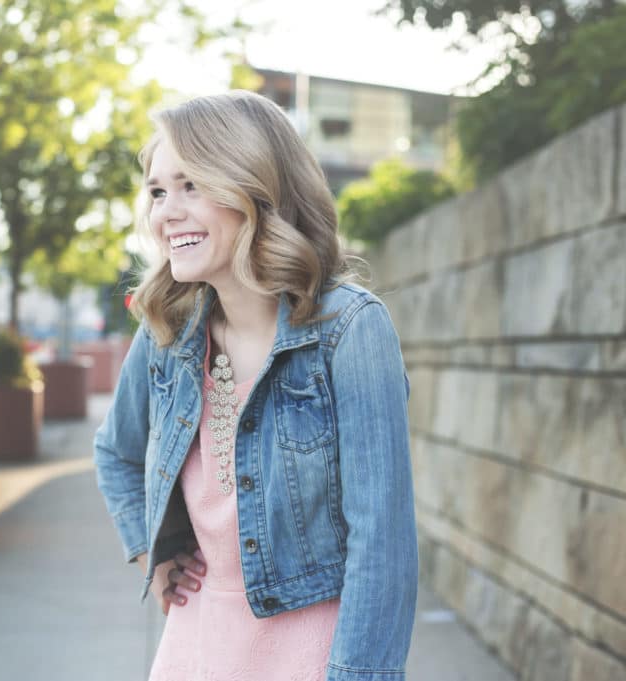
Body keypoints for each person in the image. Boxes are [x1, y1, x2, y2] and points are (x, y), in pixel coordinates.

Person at [93, 90, 418, 681]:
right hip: (195, 642)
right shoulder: (168, 328)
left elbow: (383, 544)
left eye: (192, 184)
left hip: (311, 647)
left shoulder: (348, 328)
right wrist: (153, 550)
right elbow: (115, 450)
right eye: (159, 190)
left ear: (254, 187)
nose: (167, 212)